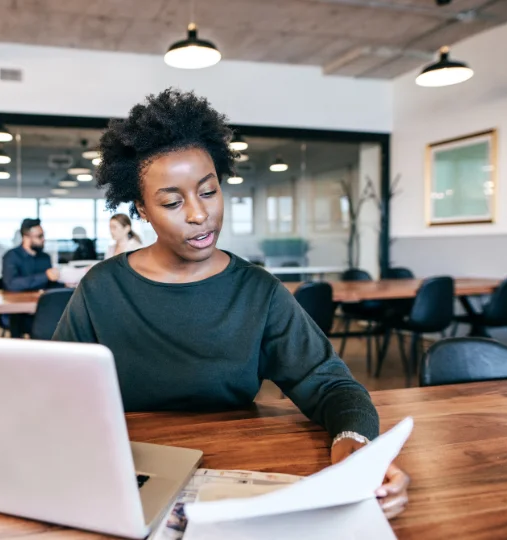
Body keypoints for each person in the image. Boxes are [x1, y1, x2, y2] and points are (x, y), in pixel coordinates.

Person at [53, 89, 409, 518]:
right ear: (142, 210)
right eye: (171, 202)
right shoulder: (101, 289)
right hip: (128, 474)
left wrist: (357, 449)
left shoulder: (258, 291)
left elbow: (331, 385)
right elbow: (59, 394)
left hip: (237, 471)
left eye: (209, 191)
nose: (199, 214)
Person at [1, 218, 60, 336]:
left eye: (43, 235)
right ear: (26, 237)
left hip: (42, 309)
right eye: (40, 236)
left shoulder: (45, 257)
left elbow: (50, 284)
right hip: (17, 312)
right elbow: (12, 284)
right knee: (17, 319)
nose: (44, 239)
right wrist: (45, 276)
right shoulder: (11, 256)